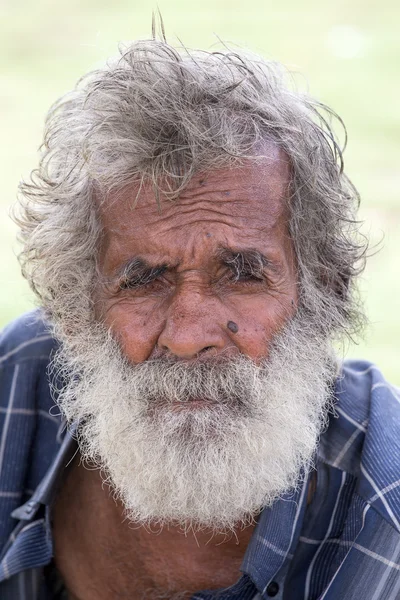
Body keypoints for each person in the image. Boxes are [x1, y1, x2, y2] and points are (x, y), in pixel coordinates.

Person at [0, 35, 399, 600]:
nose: (188, 336)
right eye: (143, 279)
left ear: (323, 294)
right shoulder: (14, 379)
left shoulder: (387, 524)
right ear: (76, 310)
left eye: (242, 275)